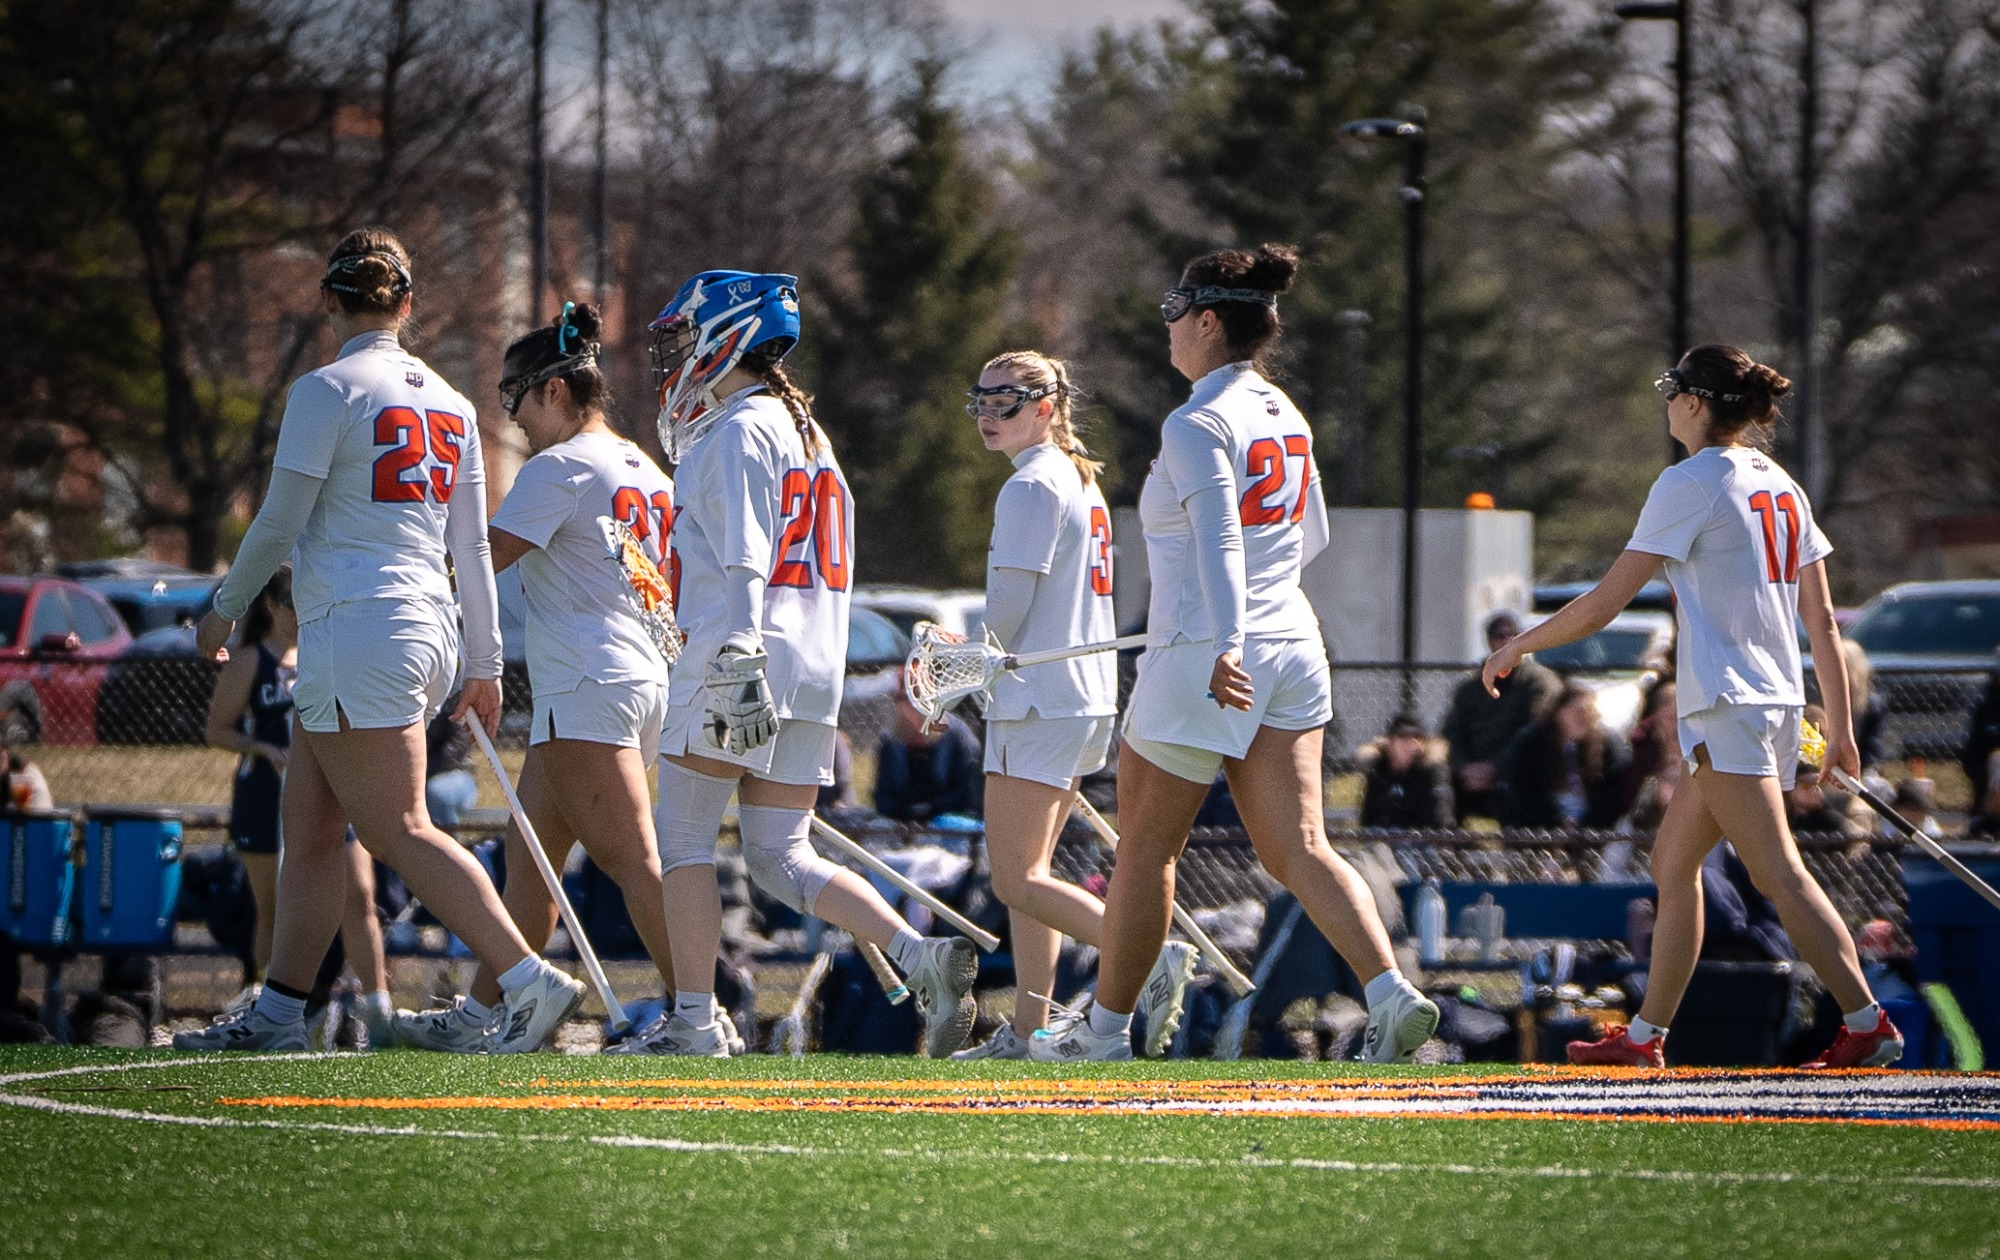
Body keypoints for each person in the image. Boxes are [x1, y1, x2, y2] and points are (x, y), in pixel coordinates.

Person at [175, 227, 584, 1052]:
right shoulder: (453, 402)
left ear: (329, 299)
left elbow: (280, 520)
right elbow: (471, 550)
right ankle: (282, 1012)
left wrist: (224, 606)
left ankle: (527, 976)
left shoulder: (326, 390)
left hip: (362, 624)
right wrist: (482, 658)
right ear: (407, 303)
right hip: (415, 626)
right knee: (314, 825)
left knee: (399, 827)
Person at [1030, 243, 1438, 1063]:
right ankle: (1391, 994)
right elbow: (1310, 534)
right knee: (1302, 848)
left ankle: (1104, 1033)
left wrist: (1224, 639)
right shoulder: (1285, 411)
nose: (1170, 331)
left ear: (1208, 320)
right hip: (1292, 643)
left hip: (1208, 655)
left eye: (1175, 314)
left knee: (1147, 849)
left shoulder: (1198, 419)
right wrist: (1256, 615)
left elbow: (1219, 538)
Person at [1486, 344, 1902, 1069]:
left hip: (1730, 705)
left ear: (1697, 403)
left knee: (1777, 873)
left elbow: (1607, 603)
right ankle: (1646, 1039)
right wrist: (1838, 727)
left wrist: (1519, 644)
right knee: (1673, 862)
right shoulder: (1780, 482)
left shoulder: (1690, 482)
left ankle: (1866, 1021)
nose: (1667, 403)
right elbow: (1826, 622)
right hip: (1770, 701)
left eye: (1673, 391)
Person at [635, 269, 975, 1057]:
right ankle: (916, 952)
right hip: (813, 668)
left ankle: (692, 1023)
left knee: (683, 841)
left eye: (686, 337)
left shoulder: (740, 430)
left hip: (744, 653)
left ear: (730, 337)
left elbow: (748, 560)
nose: (678, 357)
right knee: (779, 853)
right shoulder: (808, 436)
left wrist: (737, 646)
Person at [395, 301, 687, 1053]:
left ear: (553, 391)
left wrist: (400, 561)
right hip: (627, 682)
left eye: (513, 399)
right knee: (532, 865)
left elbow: (480, 566)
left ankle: (700, 1012)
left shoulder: (559, 467)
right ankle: (490, 1010)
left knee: (635, 864)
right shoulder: (642, 465)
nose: (513, 418)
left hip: (593, 684)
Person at [950, 349, 1197, 1061]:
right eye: (984, 399)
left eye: (1010, 401)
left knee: (1014, 877)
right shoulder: (1074, 480)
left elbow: (1006, 612)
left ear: (1047, 408)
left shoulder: (1032, 486)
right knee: (1036, 878)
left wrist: (954, 659)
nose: (991, 415)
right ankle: (1030, 1033)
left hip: (1038, 700)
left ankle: (1148, 960)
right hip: (1078, 696)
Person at [202, 565, 393, 1040]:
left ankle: (379, 1012)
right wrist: (264, 749)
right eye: (292, 601)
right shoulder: (251, 661)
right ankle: (260, 1002)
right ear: (272, 605)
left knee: (361, 897)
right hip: (266, 797)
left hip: (332, 791)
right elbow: (216, 730)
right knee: (273, 906)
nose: (302, 610)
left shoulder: (321, 653)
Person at [1441, 611, 1559, 822]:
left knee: (1519, 783)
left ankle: (1518, 851)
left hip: (1515, 769)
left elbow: (1534, 732)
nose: (1505, 641)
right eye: (1499, 636)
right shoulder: (1471, 686)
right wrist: (1464, 767)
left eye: (1511, 635)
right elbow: (1452, 732)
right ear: (1489, 642)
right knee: (1438, 783)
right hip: (1471, 771)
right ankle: (1449, 850)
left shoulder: (1538, 682)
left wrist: (1495, 768)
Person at [1498, 680, 1632, 830]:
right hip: (1542, 825)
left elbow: (1611, 794)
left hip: (1593, 827)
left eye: (1590, 713)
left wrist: (1586, 826)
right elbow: (1525, 793)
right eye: (1578, 711)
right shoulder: (1531, 743)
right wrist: (1556, 822)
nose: (1584, 719)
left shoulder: (1608, 744)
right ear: (1557, 712)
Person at [874, 682, 984, 823]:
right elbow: (883, 797)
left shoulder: (958, 737)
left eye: (917, 699)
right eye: (903, 699)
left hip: (949, 821)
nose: (909, 708)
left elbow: (968, 794)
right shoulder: (891, 742)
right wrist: (907, 812)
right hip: (902, 821)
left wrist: (931, 808)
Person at [1357, 714, 1452, 830]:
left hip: (1422, 838)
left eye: (1416, 736)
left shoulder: (1432, 771)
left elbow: (1439, 817)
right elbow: (1368, 816)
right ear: (1390, 742)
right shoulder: (1378, 770)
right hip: (1382, 836)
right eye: (1402, 736)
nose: (1410, 742)